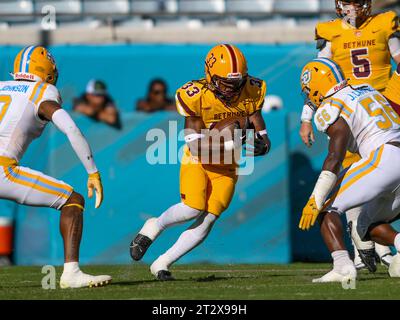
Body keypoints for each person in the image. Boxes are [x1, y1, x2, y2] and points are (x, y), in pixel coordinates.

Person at [129, 44, 270, 280]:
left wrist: (263, 140)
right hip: (200, 157)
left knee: (209, 217)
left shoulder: (253, 89)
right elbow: (194, 144)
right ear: (210, 76)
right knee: (192, 208)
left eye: (236, 82)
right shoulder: (195, 94)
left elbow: (255, 117)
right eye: (225, 82)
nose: (232, 88)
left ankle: (162, 263)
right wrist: (231, 141)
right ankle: (155, 225)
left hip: (228, 165)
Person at [299, 0, 400, 270]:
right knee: (369, 196)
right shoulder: (332, 33)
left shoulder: (382, 24)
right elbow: (320, 75)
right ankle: (371, 249)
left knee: (336, 200)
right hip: (372, 103)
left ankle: (352, 259)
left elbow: (316, 84)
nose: (353, 7)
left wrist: (315, 197)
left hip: (374, 107)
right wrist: (306, 118)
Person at [3, 46, 111, 288]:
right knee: (73, 200)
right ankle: (71, 273)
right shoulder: (43, 91)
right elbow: (71, 129)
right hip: (2, 168)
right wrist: (93, 171)